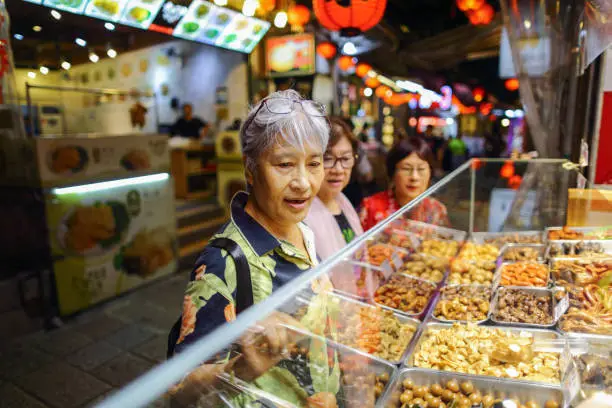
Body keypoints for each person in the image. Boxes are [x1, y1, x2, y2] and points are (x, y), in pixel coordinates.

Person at [170, 90, 333, 405]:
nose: (303, 182)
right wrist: (238, 369)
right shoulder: (223, 262)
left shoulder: (301, 228)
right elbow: (178, 391)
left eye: (314, 163)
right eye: (284, 164)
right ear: (250, 168)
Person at [305, 117, 364, 260]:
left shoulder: (343, 202)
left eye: (345, 159)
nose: (338, 170)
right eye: (327, 159)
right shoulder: (302, 216)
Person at [359, 137, 449, 230]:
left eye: (421, 169)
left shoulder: (437, 210)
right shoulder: (370, 207)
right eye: (406, 169)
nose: (414, 177)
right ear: (393, 173)